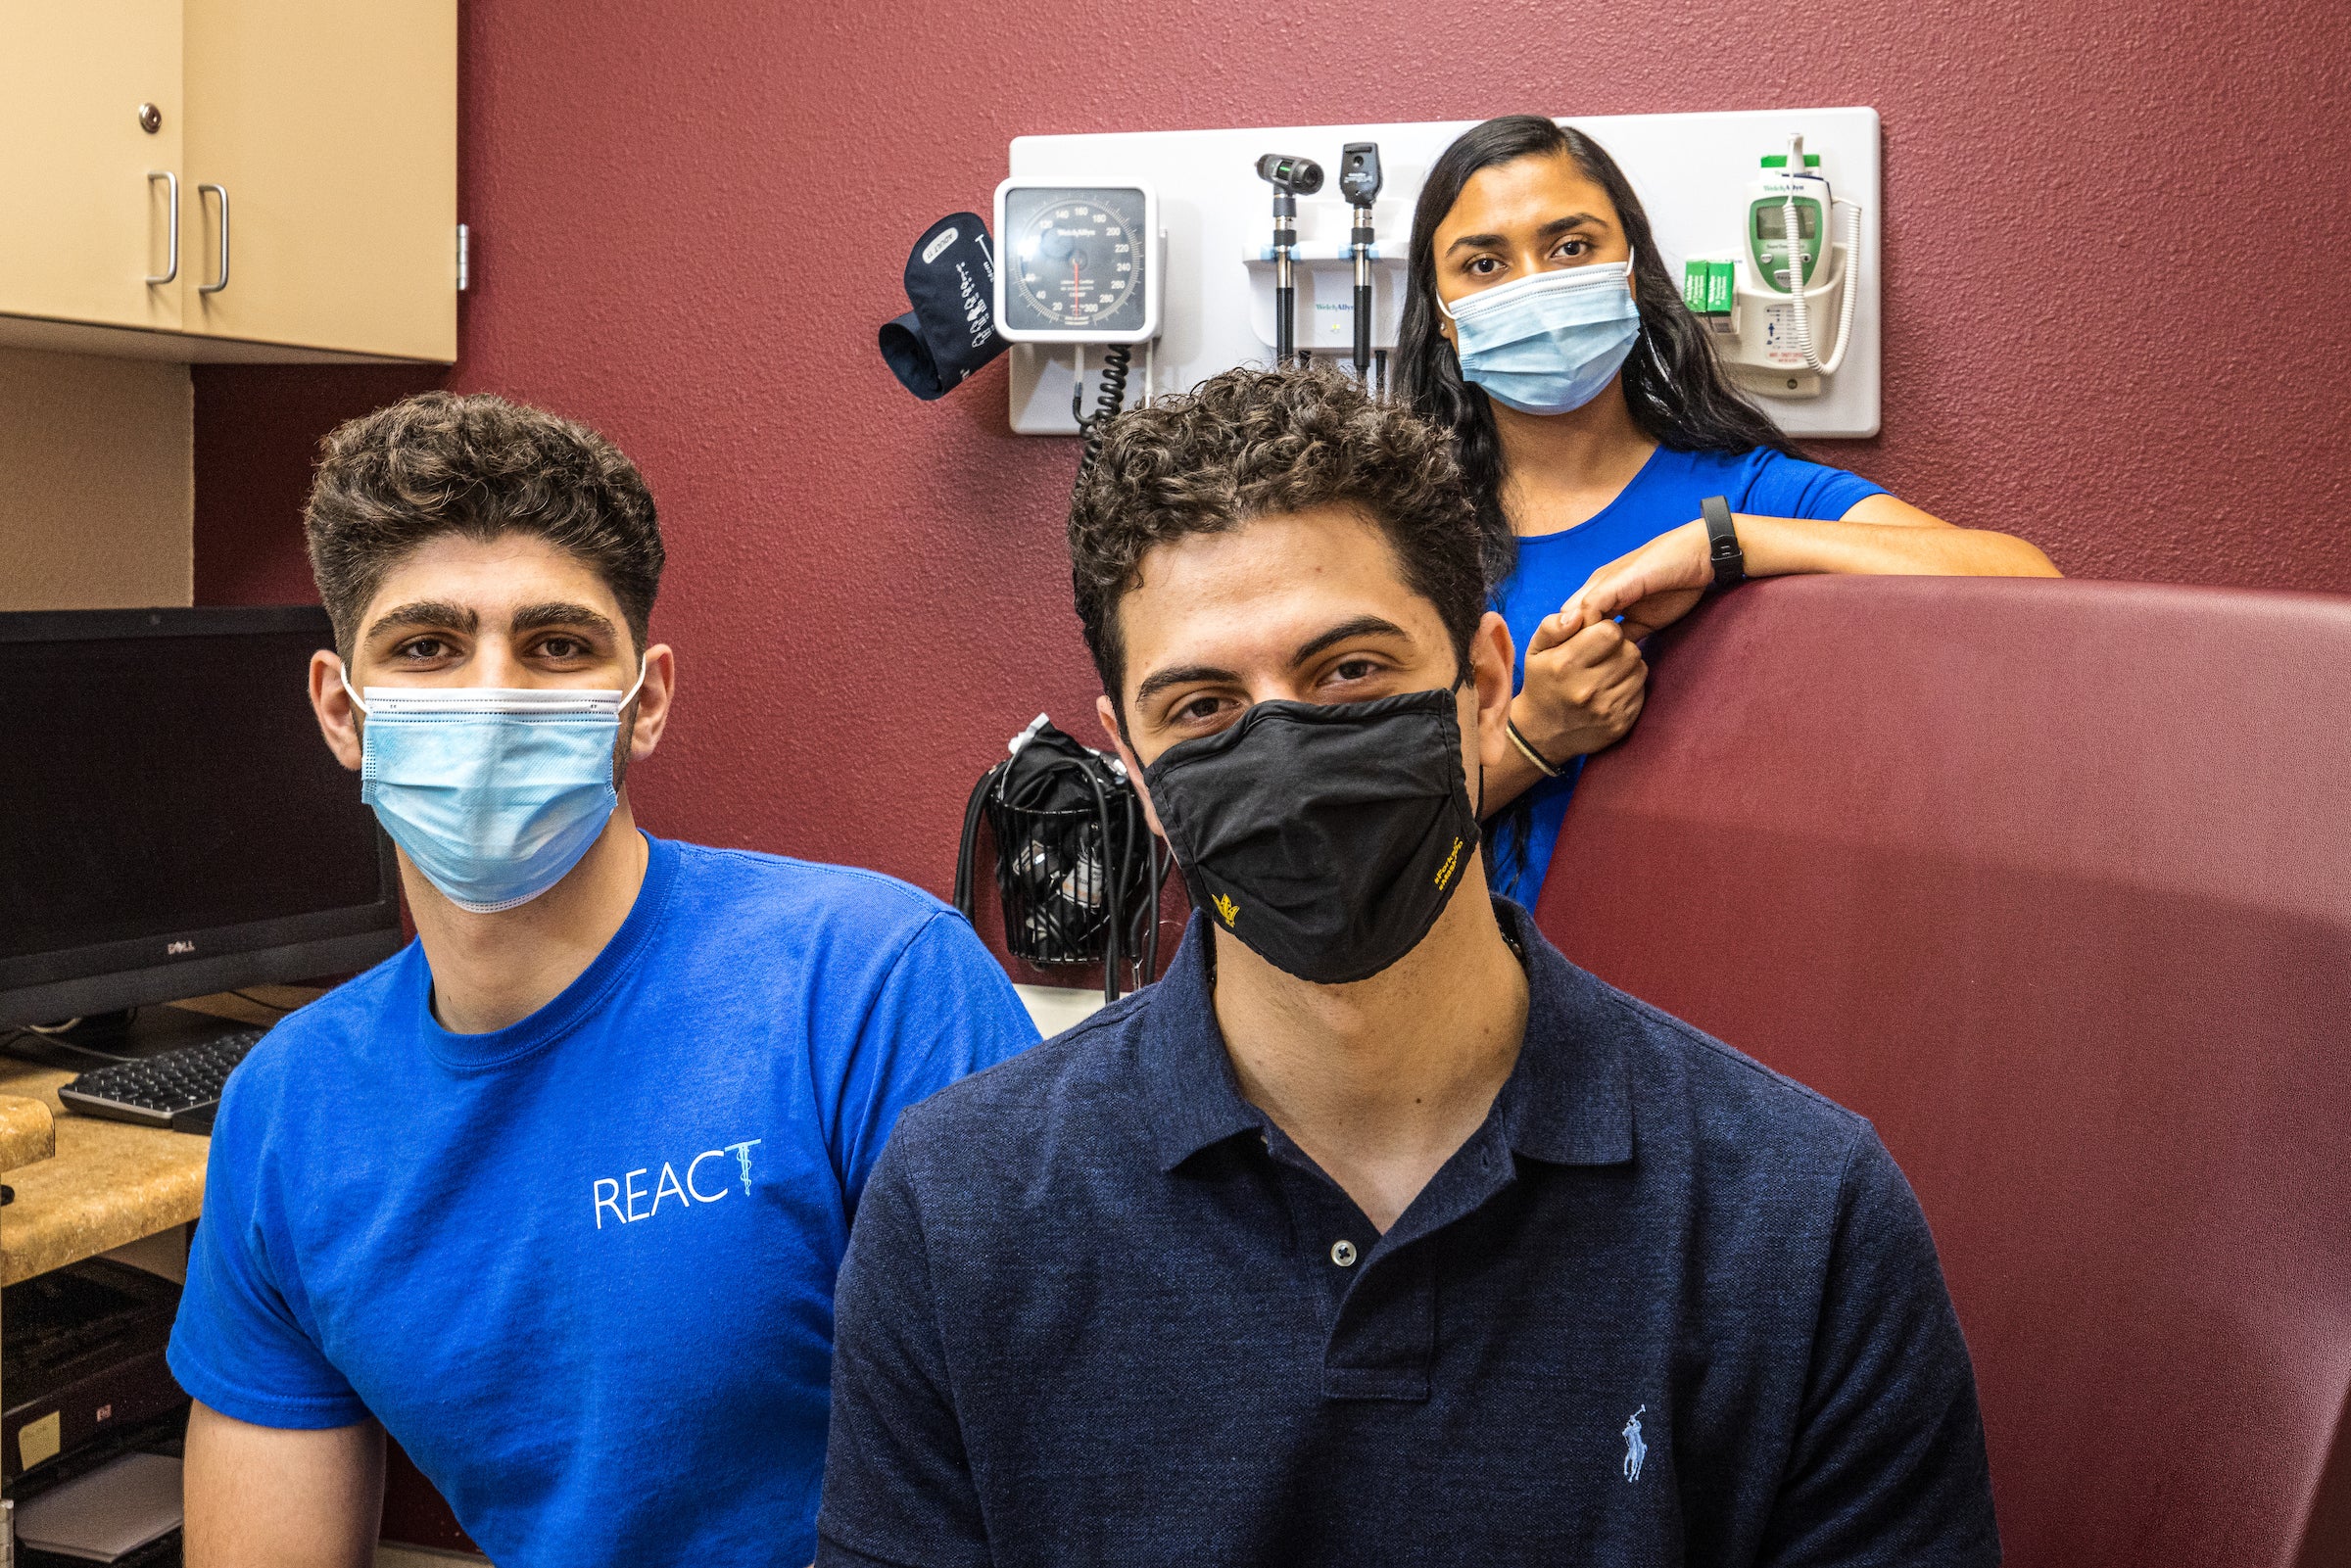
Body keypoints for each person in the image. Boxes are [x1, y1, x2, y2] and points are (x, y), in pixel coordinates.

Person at [816, 365, 1999, 1566]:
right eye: (1204, 708)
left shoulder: (1800, 1219)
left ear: (1484, 683)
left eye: (1350, 673)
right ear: (1132, 764)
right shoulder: (955, 1207)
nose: (1281, 752)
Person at [167, 393, 1039, 1568]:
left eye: (557, 645)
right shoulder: (289, 1113)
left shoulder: (870, 990)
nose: (492, 694)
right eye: (426, 646)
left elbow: (1060, 1475)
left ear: (648, 700)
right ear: (342, 709)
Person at [1398, 114, 2060, 908]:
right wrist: (1534, 740)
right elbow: (1346, 849)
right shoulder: (1398, 532)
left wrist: (1727, 542)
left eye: (1571, 247)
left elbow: (2023, 580)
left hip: (1694, 995)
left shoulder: (1743, 492)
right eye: (1484, 263)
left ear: (1632, 270)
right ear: (1442, 310)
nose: (1536, 285)